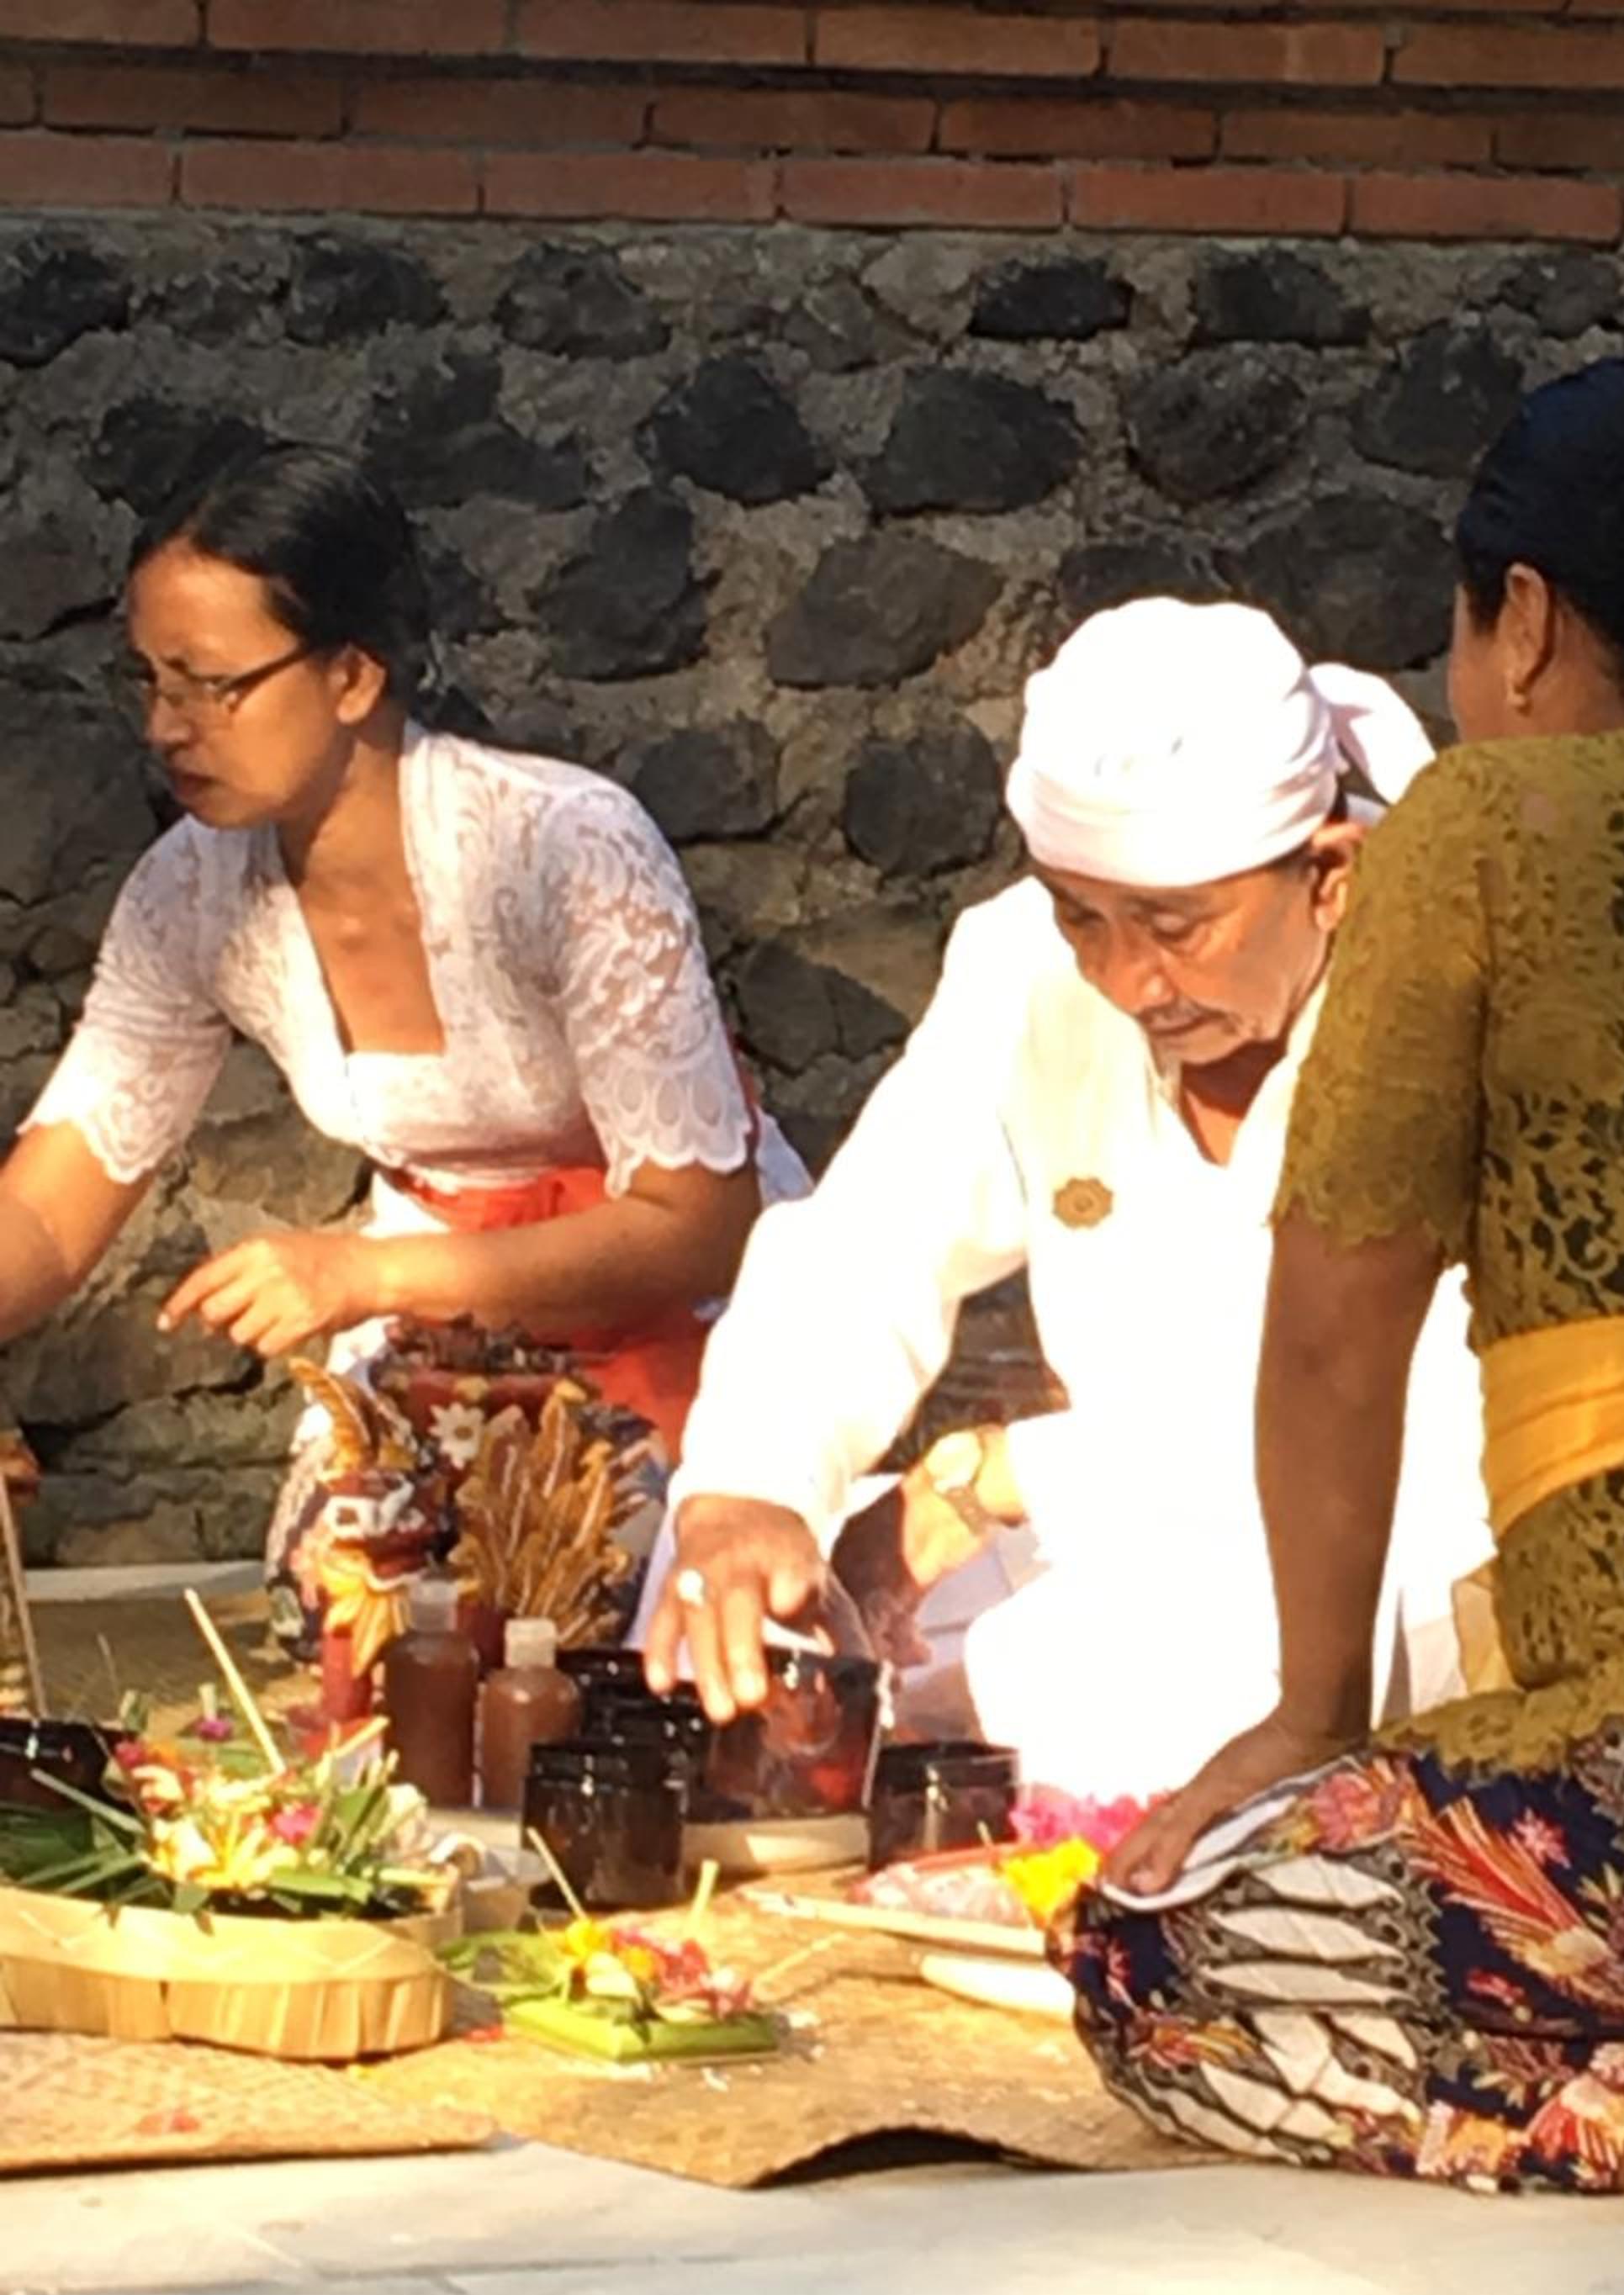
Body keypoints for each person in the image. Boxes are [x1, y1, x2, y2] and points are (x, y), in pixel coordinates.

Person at [1066, 356, 1624, 2217]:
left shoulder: (1485, 833)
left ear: (1524, 621)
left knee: (1153, 1966)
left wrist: (1309, 1713)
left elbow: (1334, 1331)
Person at [644, 601, 1491, 1797]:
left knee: (1114, 1684)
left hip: (1362, 1556)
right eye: (1081, 915)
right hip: (1110, 1531)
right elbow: (865, 1246)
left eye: (1176, 928)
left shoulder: (1451, 996)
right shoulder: (1030, 972)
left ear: (1329, 878)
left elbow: (1406, 1431)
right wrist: (751, 1489)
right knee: (730, 1593)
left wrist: (996, 1478)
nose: (1128, 979)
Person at [0, 442, 801, 1515]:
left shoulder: (563, 847)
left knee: (611, 1585)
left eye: (211, 685)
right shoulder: (188, 893)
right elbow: (50, 1210)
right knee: (348, 1581)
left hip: (678, 1316)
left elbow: (699, 1225)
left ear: (352, 676)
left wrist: (365, 1275)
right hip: (439, 1323)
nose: (164, 727)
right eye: (149, 680)